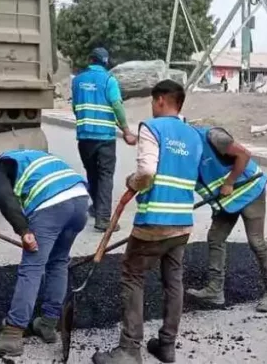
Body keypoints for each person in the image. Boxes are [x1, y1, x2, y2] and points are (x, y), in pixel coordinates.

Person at [93, 80, 202, 364]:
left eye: (153, 102)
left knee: (132, 276)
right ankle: (166, 345)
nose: (152, 108)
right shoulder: (193, 135)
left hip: (153, 222)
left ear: (162, 100)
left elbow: (147, 171)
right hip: (182, 223)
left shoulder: (152, 128)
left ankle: (129, 350)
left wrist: (133, 182)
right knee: (173, 281)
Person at [0, 150, 89, 357]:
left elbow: (4, 197)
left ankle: (11, 336)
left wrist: (24, 231)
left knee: (32, 268)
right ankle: (48, 324)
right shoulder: (25, 157)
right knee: (58, 262)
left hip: (52, 205)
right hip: (80, 200)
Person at [185, 125, 267, 312]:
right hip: (226, 200)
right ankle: (215, 290)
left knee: (256, 241)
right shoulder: (184, 150)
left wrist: (229, 182)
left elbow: (244, 155)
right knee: (215, 238)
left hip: (249, 190)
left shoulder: (213, 136)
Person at [72, 47, 137, 233]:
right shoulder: (109, 80)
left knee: (92, 174)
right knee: (105, 176)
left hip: (84, 137)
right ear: (105, 62)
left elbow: (76, 107)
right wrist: (126, 130)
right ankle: (103, 220)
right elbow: (116, 105)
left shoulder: (77, 80)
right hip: (105, 137)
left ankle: (96, 208)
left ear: (90, 60)